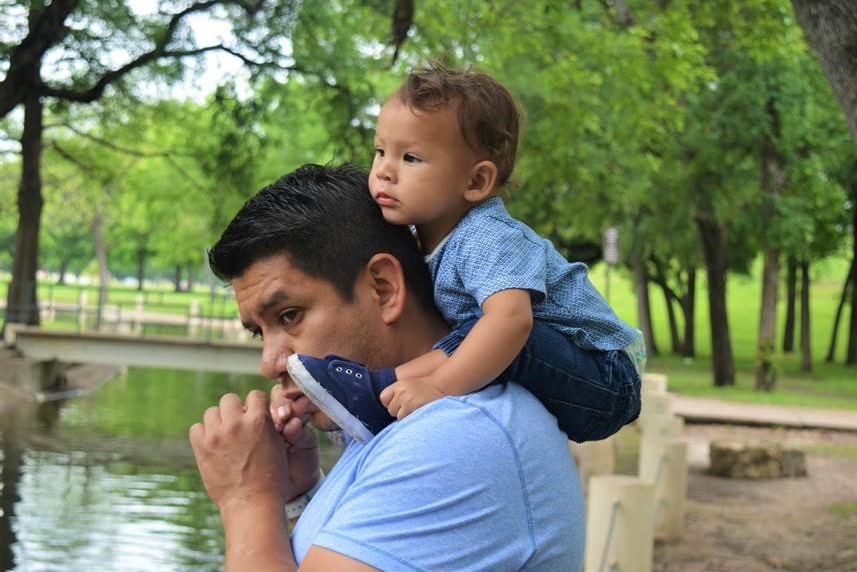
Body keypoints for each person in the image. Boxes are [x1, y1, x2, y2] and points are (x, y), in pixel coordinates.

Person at [189, 164, 585, 571]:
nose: (270, 363)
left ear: (384, 287)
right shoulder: (409, 420)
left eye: (290, 316)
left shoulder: (457, 435)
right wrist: (297, 494)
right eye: (259, 332)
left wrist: (245, 499)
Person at [291, 64, 645, 443]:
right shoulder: (417, 236)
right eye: (380, 151)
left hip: (605, 379)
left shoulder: (487, 236)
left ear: (476, 181)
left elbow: (512, 322)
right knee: (471, 332)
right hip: (556, 370)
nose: (383, 172)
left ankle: (381, 385)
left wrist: (439, 388)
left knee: (503, 330)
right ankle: (374, 394)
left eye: (410, 158)